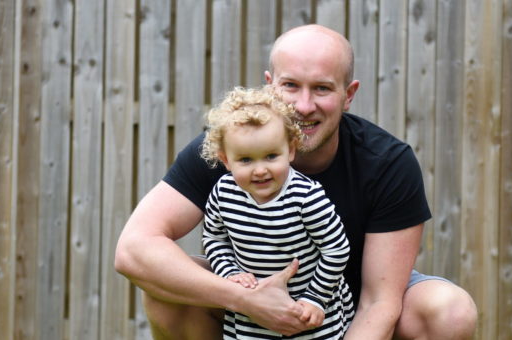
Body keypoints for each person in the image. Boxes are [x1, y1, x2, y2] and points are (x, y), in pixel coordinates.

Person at [115, 24, 478, 340]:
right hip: (249, 301)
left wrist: (314, 303)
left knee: (450, 312)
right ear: (270, 85)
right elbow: (133, 250)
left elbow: (378, 303)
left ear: (348, 95)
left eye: (322, 88)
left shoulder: (388, 163)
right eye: (291, 86)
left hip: (349, 299)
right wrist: (243, 297)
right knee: (166, 291)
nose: (304, 106)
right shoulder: (226, 150)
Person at [200, 86, 354, 339]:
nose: (260, 170)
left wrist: (315, 298)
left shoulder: (306, 196)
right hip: (252, 312)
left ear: (291, 150)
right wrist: (230, 273)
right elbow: (214, 239)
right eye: (246, 160)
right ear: (226, 160)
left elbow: (336, 249)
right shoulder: (224, 192)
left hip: (309, 310)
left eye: (271, 156)